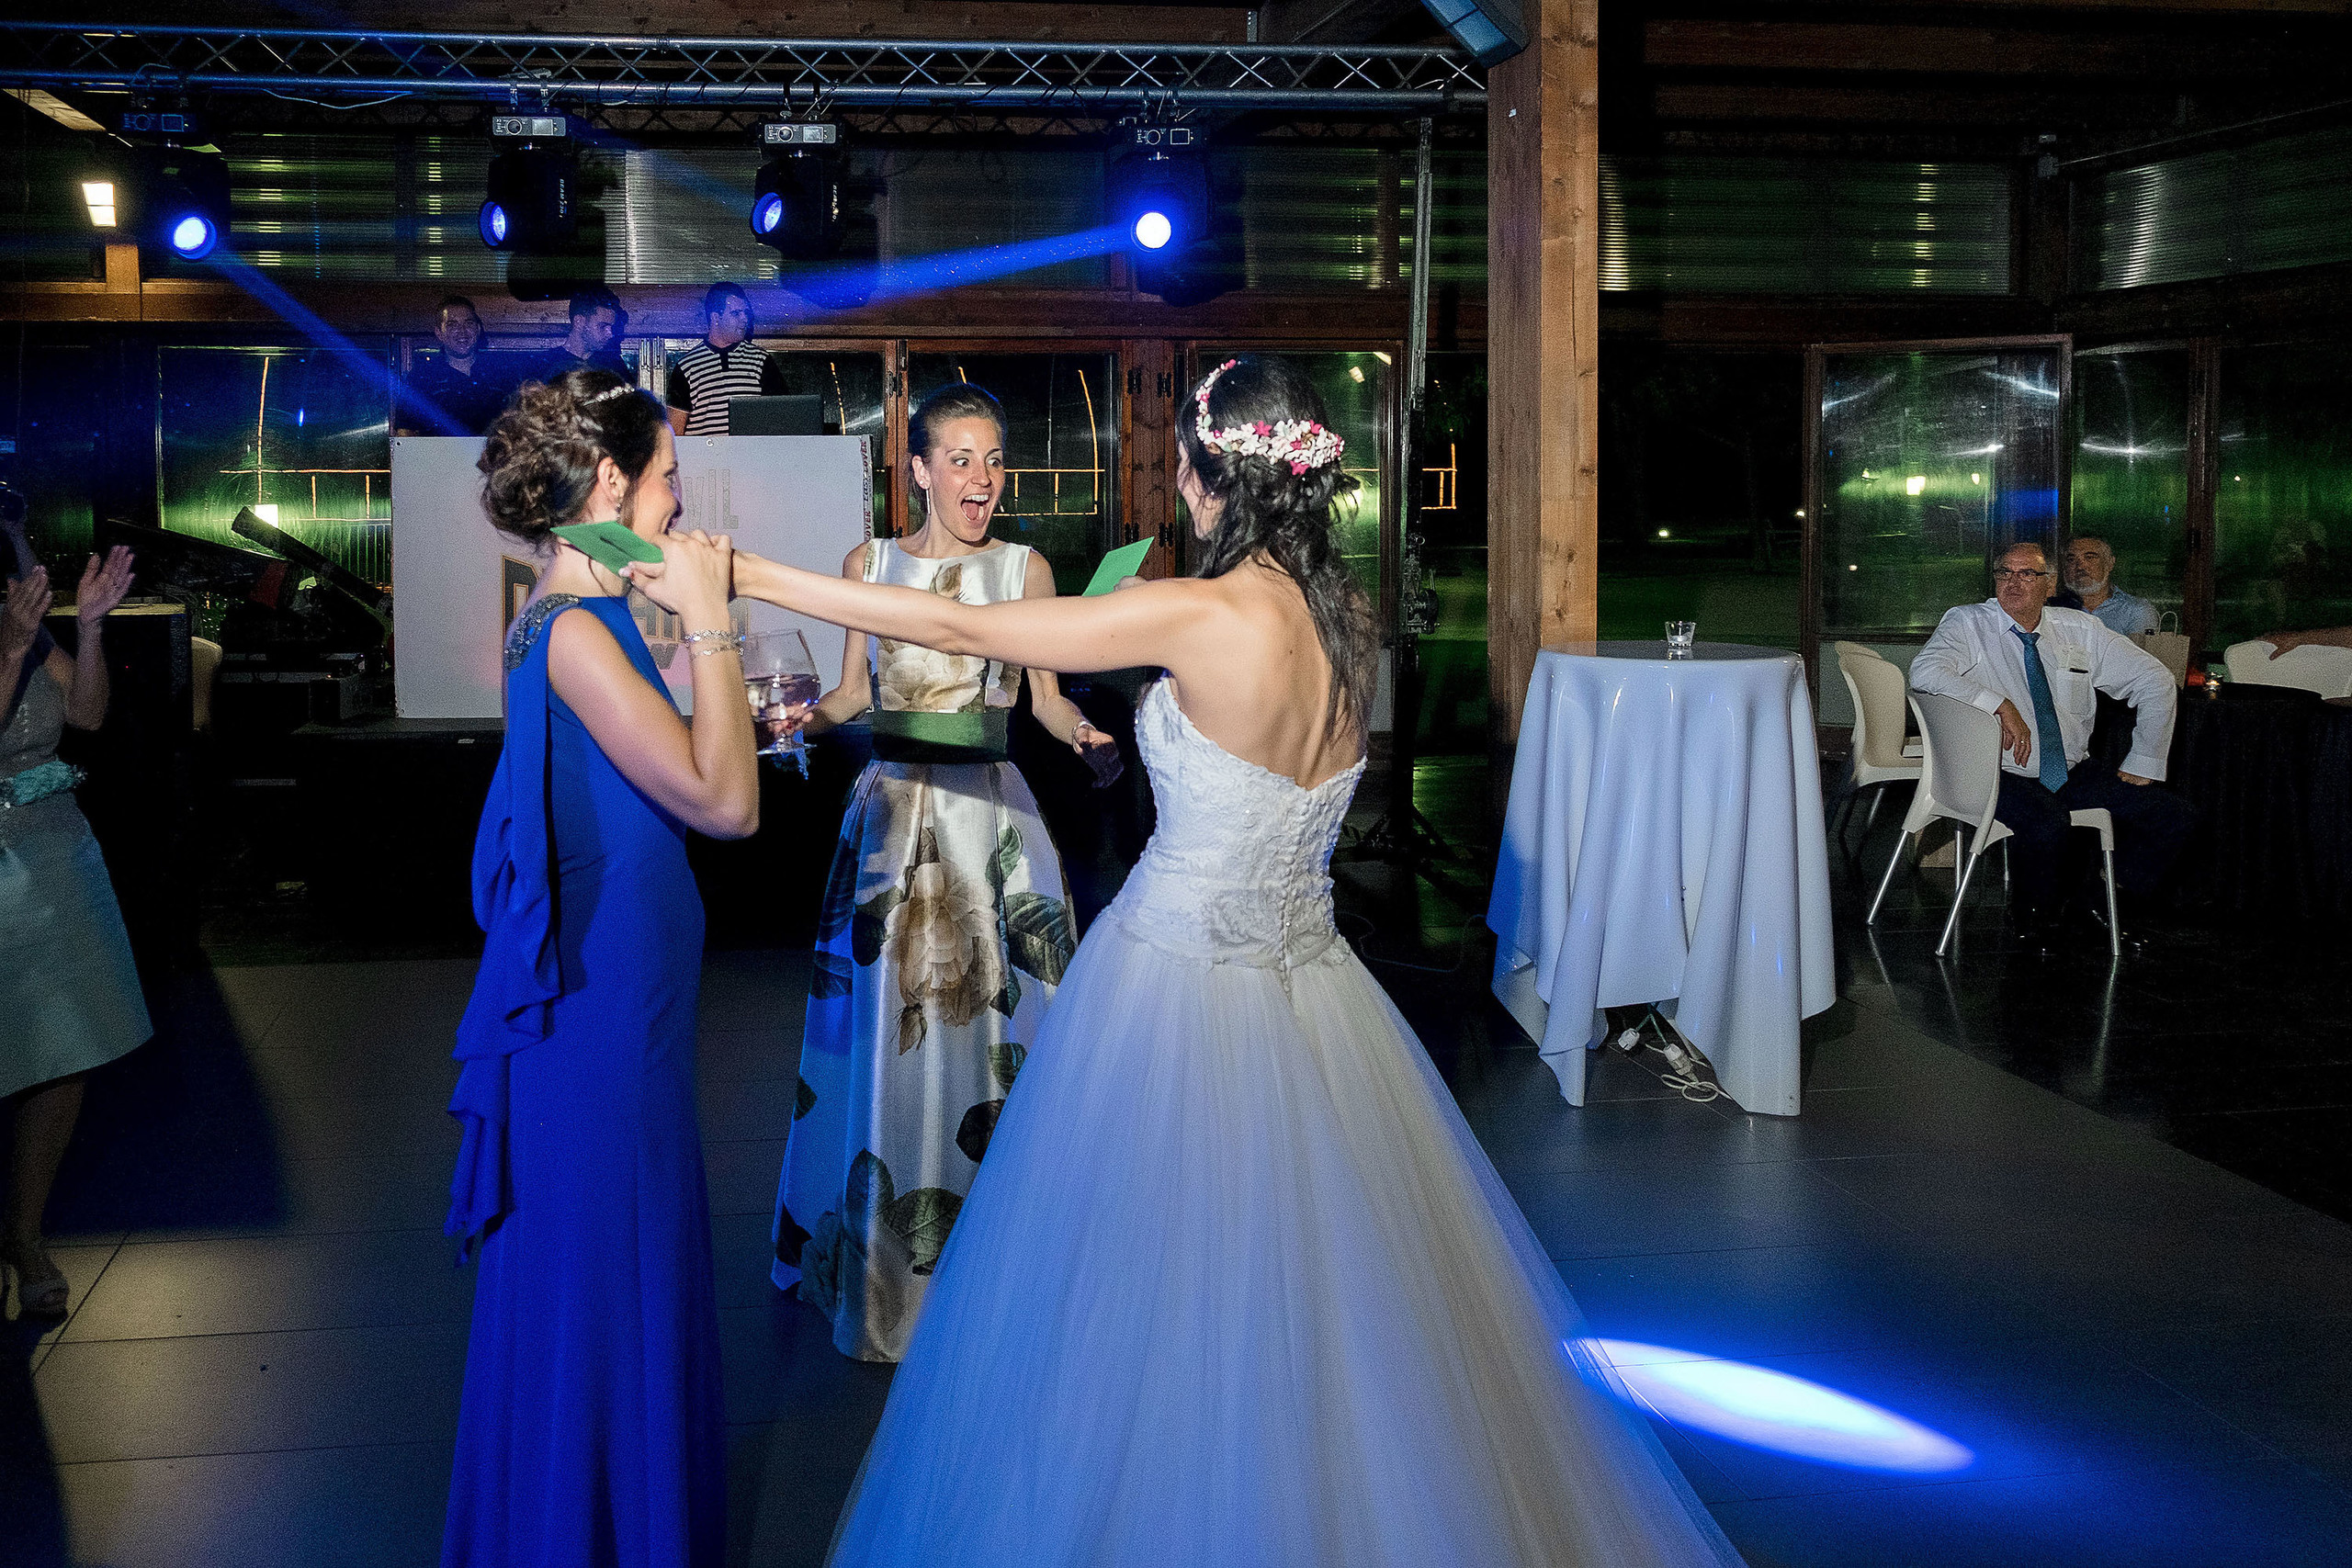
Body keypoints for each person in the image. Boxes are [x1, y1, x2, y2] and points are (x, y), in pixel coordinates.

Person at [645, 356, 1744, 1567]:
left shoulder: (1206, 611)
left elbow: (964, 622)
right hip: (1316, 989)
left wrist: (738, 575)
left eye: (1178, 466)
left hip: (1171, 984)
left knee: (1140, 1277)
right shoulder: (1349, 624)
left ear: (1210, 480)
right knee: (1326, 1290)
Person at [440, 367, 757, 1568]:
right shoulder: (572, 632)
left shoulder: (582, 619)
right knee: (609, 1275)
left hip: (632, 1006)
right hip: (608, 1021)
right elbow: (727, 801)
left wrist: (687, 635)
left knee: (609, 1275)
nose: (679, 504)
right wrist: (715, 616)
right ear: (613, 482)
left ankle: (594, 1523)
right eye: (669, 477)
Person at [767, 382, 1123, 1362]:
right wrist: (803, 717)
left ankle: (1011, 1267)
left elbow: (1043, 701)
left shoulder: (1024, 569)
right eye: (959, 458)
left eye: (992, 457)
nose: (981, 476)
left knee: (1004, 1044)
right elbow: (848, 693)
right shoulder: (868, 565)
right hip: (889, 822)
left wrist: (1084, 729)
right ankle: (885, 1271)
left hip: (990, 826)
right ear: (917, 470)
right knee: (888, 1041)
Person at [1910, 540, 2194, 943]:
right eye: (2005, 572)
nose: (2014, 582)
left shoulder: (2081, 630)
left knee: (2174, 815)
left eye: (2028, 574)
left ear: (2050, 584)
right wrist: (1998, 703)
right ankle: (2032, 915)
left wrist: (2144, 758)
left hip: (2070, 770)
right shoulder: (1968, 623)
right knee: (2047, 821)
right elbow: (1925, 672)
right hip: (1996, 771)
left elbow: (2155, 680)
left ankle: (2099, 899)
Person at [2, 545, 147, 1319]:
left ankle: (24, 1236)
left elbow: (86, 714)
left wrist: (87, 630)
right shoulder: (13, 634)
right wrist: (12, 650)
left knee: (64, 1050)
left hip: (52, 853)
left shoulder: (20, 619)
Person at [664, 282, 788, 439]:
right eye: (736, 313)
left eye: (746, 313)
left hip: (751, 458)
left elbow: (782, 417)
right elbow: (675, 429)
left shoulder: (761, 360)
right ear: (716, 317)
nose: (744, 319)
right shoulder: (687, 366)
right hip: (706, 460)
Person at [396, 295, 510, 437]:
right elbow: (404, 431)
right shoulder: (421, 378)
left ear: (478, 329)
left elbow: (517, 424)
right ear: (439, 333)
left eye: (468, 323)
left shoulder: (501, 373)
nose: (462, 331)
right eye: (452, 325)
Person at [517, 285, 628, 388]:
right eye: (602, 326)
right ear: (579, 322)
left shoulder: (614, 367)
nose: (610, 334)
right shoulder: (543, 365)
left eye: (611, 327)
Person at [2060, 535, 2160, 636]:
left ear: (2110, 563)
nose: (2080, 566)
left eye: (2090, 558)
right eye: (2071, 560)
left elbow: (2139, 650)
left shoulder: (2135, 611)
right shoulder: (2052, 609)